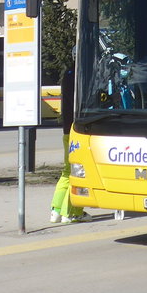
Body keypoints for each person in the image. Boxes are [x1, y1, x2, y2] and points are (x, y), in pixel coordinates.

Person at [50, 60, 87, 224]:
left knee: (67, 171)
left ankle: (56, 210)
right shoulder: (82, 75)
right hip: (78, 131)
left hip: (67, 130)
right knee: (79, 171)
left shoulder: (68, 73)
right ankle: (72, 212)